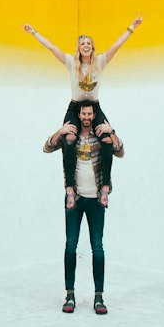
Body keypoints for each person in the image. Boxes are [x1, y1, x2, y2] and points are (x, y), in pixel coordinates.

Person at [22, 16, 142, 206]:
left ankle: (104, 188)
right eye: (82, 43)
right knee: (69, 139)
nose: (85, 45)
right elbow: (52, 48)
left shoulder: (100, 61)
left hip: (94, 107)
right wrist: (34, 32)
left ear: (92, 47)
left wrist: (131, 28)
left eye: (88, 43)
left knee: (107, 139)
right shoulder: (71, 63)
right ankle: (70, 189)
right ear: (78, 48)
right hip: (75, 106)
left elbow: (116, 47)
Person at [44, 102, 123, 314]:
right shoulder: (72, 135)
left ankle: (99, 297)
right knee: (71, 246)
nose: (86, 116)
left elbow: (120, 150)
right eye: (83, 113)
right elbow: (47, 147)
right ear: (78, 114)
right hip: (76, 199)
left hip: (96, 199)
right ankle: (69, 295)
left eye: (89, 113)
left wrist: (111, 130)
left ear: (93, 114)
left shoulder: (101, 135)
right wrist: (60, 130)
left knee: (97, 247)